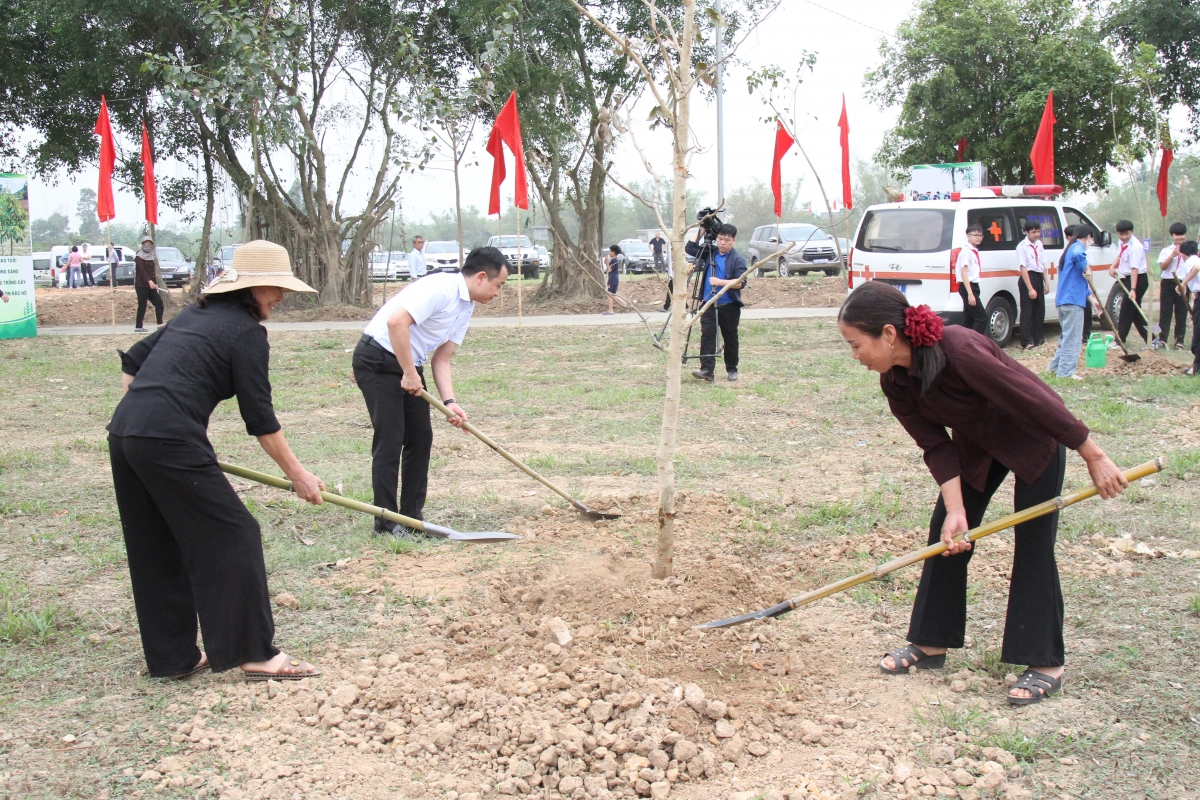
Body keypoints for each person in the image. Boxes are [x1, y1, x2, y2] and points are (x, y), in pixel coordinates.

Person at [837, 281, 1128, 705]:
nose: (855, 356)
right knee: (947, 534)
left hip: (1032, 439)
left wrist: (1093, 454)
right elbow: (936, 444)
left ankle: (1045, 661)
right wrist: (956, 509)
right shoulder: (896, 382)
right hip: (978, 448)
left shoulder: (958, 347)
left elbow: (1034, 398)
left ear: (887, 334)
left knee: (1032, 541)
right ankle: (932, 642)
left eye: (855, 344)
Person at [108, 240, 324, 681]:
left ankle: (173, 659)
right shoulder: (247, 333)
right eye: (273, 288)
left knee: (157, 545)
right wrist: (299, 475)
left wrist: (151, 416)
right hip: (166, 440)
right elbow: (261, 420)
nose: (279, 298)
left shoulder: (194, 315)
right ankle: (255, 654)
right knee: (235, 534)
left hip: (126, 432)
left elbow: (133, 363)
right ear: (249, 288)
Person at [353, 247, 508, 536]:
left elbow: (442, 358)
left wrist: (450, 402)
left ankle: (412, 520)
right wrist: (410, 373)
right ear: (481, 277)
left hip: (408, 365)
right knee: (391, 438)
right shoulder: (440, 288)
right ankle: (386, 525)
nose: (498, 293)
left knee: (420, 438)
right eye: (498, 285)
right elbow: (396, 322)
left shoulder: (466, 306)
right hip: (378, 358)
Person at [688, 223, 747, 382]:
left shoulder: (737, 259)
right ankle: (707, 370)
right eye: (720, 239)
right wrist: (703, 229)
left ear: (733, 240)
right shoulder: (710, 253)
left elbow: (741, 283)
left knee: (730, 338)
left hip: (729, 306)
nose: (722, 243)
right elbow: (690, 248)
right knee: (707, 336)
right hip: (708, 303)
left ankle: (732, 368)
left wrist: (720, 282)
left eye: (726, 240)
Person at [1048, 224, 1093, 380]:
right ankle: (1065, 373)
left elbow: (1080, 282)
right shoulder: (1077, 248)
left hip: (1064, 301)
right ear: (1087, 237)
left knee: (1066, 337)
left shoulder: (1067, 251)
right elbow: (1079, 255)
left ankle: (1054, 368)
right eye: (1090, 239)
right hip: (1072, 302)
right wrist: (1087, 268)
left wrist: (1093, 300)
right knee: (1073, 338)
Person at [1108, 220, 1149, 344]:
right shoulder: (1122, 242)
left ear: (1132, 232)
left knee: (1125, 310)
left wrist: (1133, 289)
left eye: (1127, 234)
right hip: (1128, 279)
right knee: (1135, 312)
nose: (1124, 237)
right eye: (1121, 234)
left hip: (1138, 280)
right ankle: (1151, 338)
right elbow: (1121, 255)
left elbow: (1134, 269)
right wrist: (1112, 266)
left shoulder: (1135, 247)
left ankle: (1120, 340)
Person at [1156, 222, 1189, 350]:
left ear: (1185, 235)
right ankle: (1163, 339)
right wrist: (1173, 255)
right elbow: (1163, 267)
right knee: (1165, 312)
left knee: (1181, 312)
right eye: (1177, 235)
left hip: (1183, 282)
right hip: (1168, 282)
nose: (1179, 237)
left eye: (1182, 235)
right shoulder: (1166, 251)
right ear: (1172, 235)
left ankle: (1179, 340)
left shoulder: (1190, 251)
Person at [1016, 220, 1046, 349]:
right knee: (1027, 311)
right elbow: (1023, 267)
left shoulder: (1039, 244)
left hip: (1039, 276)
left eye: (1038, 231)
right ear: (1027, 232)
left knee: (1039, 310)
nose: (1036, 234)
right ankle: (1026, 341)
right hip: (1028, 277)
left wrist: (1046, 283)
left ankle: (1038, 339)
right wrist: (1030, 288)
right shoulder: (1022, 246)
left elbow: (1043, 264)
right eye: (1033, 232)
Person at [957, 224, 986, 335]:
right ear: (968, 236)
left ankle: (963, 342)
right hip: (967, 286)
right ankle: (977, 343)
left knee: (969, 319)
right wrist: (970, 293)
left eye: (980, 235)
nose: (978, 237)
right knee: (982, 317)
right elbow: (964, 272)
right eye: (975, 235)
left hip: (974, 285)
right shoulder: (966, 252)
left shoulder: (974, 251)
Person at [1178, 240, 1200, 376]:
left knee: (1198, 333)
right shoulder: (1195, 258)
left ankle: (1196, 367)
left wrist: (1183, 283)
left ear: (1182, 254)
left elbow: (1197, 268)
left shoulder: (1191, 261)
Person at [134, 236, 165, 333]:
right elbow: (142, 271)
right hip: (141, 285)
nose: (147, 246)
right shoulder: (139, 257)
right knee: (142, 305)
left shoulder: (152, 256)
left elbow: (152, 272)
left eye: (149, 244)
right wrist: (149, 281)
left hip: (151, 285)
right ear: (142, 245)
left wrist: (154, 282)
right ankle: (138, 326)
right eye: (145, 244)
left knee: (159, 303)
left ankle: (160, 324)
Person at [604, 245, 627, 315]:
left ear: (613, 252)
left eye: (610, 251)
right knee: (612, 294)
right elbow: (609, 267)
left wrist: (607, 262)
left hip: (612, 279)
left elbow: (610, 269)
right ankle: (624, 303)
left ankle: (611, 310)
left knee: (610, 294)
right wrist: (606, 262)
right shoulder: (614, 260)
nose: (609, 253)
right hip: (613, 279)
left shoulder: (615, 260)